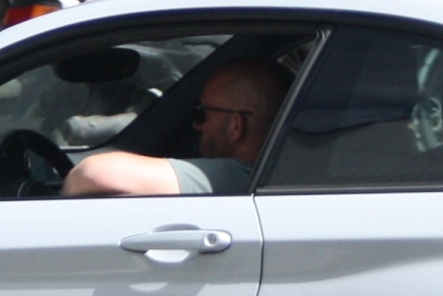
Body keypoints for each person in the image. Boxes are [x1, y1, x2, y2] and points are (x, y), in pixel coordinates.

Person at [62, 59, 288, 196]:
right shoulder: (284, 174)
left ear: (236, 126)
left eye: (202, 114)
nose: (196, 126)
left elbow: (91, 173)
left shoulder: (238, 177)